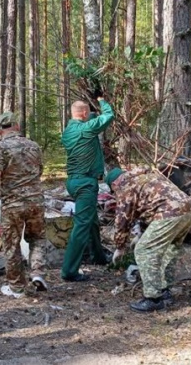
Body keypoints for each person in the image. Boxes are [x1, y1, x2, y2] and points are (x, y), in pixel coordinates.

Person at [0, 112, 48, 296]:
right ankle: (37, 273)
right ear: (17, 127)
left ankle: (17, 287)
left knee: (11, 244)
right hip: (36, 201)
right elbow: (39, 171)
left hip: (13, 204)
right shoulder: (34, 146)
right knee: (37, 238)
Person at [106, 167, 191, 312]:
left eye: (113, 191)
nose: (115, 194)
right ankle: (164, 290)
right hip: (188, 209)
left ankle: (153, 298)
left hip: (169, 213)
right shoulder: (145, 177)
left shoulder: (125, 186)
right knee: (168, 250)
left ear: (114, 184)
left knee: (144, 250)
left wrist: (120, 247)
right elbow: (149, 206)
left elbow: (122, 220)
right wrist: (140, 233)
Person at [60, 96, 114, 282]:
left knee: (91, 221)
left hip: (73, 182)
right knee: (82, 224)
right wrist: (101, 100)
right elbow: (109, 116)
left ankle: (98, 256)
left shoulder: (69, 131)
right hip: (85, 184)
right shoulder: (87, 130)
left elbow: (88, 120)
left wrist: (90, 110)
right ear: (83, 114)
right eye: (87, 112)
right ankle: (69, 270)